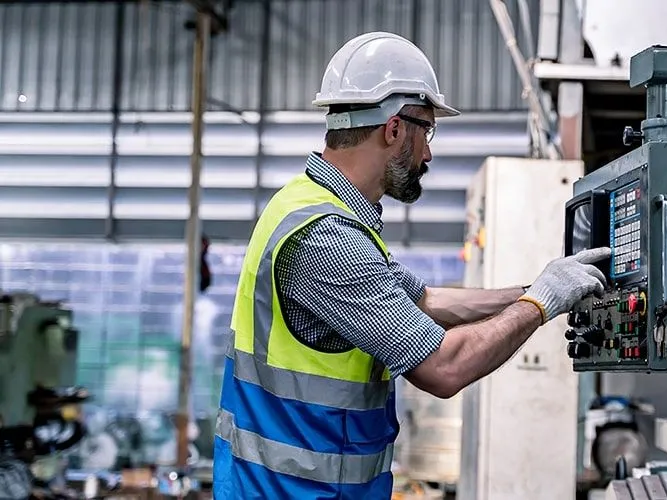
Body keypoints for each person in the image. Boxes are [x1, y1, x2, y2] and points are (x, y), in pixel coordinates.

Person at [212, 31, 610, 499]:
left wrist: (544, 284)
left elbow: (425, 300)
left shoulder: (309, 207)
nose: (428, 154)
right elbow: (443, 369)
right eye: (427, 131)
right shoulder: (326, 238)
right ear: (394, 128)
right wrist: (539, 304)